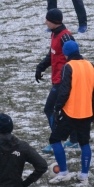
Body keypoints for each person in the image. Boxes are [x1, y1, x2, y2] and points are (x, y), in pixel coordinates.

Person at [47, 40, 94, 184]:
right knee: (84, 143)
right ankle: (84, 175)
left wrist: (58, 108)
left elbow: (64, 91)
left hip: (70, 112)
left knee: (55, 139)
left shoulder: (68, 67)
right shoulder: (90, 65)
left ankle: (64, 172)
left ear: (65, 54)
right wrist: (92, 109)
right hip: (86, 112)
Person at [35, 9, 75, 152]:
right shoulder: (54, 34)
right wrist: (40, 67)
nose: (46, 22)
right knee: (67, 111)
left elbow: (74, 57)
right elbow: (52, 54)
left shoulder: (66, 37)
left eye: (47, 20)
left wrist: (67, 79)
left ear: (54, 22)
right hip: (58, 79)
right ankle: (75, 139)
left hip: (63, 81)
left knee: (50, 109)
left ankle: (56, 141)